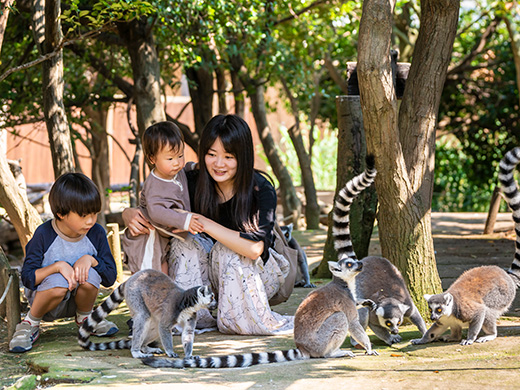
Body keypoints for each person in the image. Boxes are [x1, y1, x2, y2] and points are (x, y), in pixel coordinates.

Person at [123, 114, 293, 335]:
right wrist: (129, 213)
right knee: (184, 243)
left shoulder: (260, 189)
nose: (219, 164)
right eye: (212, 154)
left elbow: (255, 249)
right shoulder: (193, 181)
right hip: (208, 280)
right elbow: (156, 200)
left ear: (243, 157)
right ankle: (190, 317)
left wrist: (204, 223)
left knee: (226, 250)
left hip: (255, 276)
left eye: (228, 156)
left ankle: (236, 318)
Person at [10, 173, 119, 353]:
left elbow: (109, 277)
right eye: (84, 215)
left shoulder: (96, 233)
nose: (91, 220)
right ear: (61, 213)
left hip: (79, 301)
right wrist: (57, 266)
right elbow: (28, 278)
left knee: (91, 273)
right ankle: (30, 323)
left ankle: (85, 319)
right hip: (46, 302)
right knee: (59, 281)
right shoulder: (44, 234)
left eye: (94, 213)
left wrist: (91, 260)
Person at [121, 121, 203, 274]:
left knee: (164, 272)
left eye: (180, 155)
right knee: (152, 275)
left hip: (162, 235)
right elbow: (157, 212)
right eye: (170, 159)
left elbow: (184, 168)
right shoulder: (155, 184)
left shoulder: (175, 171)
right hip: (148, 235)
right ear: (152, 159)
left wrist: (194, 167)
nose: (177, 163)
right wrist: (185, 221)